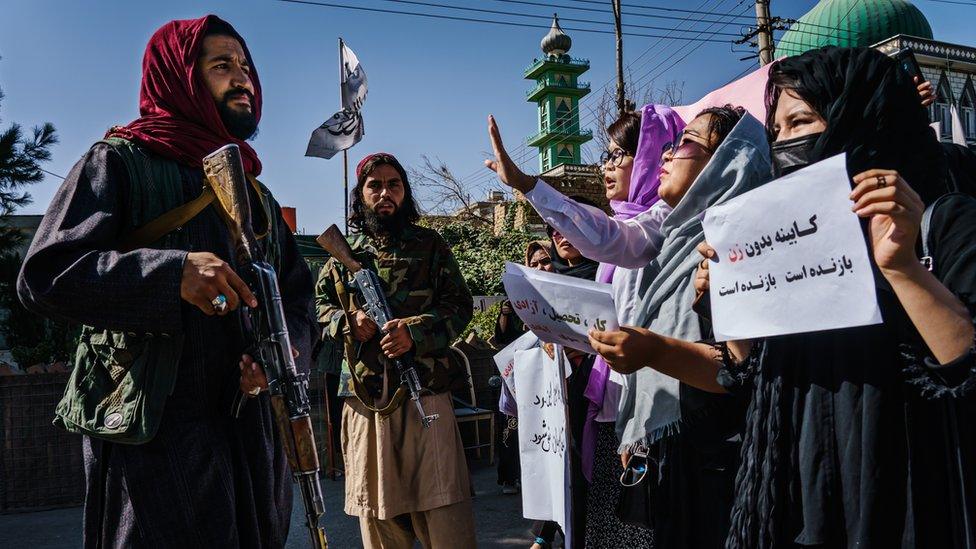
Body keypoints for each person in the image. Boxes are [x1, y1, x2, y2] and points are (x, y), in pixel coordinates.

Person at [16, 16, 315, 547]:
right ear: (178, 75)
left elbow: (295, 293)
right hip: (154, 437)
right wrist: (169, 274)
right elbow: (45, 274)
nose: (243, 79)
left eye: (246, 66)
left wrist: (282, 355)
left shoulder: (256, 194)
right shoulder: (118, 163)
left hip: (248, 437)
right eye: (222, 65)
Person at [688, 47, 976, 548]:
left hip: (909, 501)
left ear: (862, 118)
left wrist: (903, 268)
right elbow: (750, 378)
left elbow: (967, 369)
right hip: (801, 505)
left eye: (800, 122)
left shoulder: (946, 223)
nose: (783, 146)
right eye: (776, 132)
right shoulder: (781, 243)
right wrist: (728, 304)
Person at [486, 105, 685, 547]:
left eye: (621, 154)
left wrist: (526, 184)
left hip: (659, 411)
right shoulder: (636, 224)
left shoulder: (667, 224)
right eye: (606, 155)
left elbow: (612, 240)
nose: (607, 165)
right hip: (618, 406)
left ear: (656, 155)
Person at [314, 152, 476, 548]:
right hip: (365, 399)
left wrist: (415, 334)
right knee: (378, 514)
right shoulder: (342, 255)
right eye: (375, 185)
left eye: (394, 185)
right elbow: (318, 310)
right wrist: (346, 323)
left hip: (425, 392)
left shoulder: (429, 245)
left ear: (405, 193)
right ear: (360, 195)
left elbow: (461, 305)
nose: (384, 193)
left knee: (443, 511)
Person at [493, 240, 551, 496]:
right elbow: (504, 337)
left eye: (546, 261)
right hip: (521, 375)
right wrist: (507, 313)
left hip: (552, 376)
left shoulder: (566, 290)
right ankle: (512, 479)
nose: (539, 267)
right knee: (513, 429)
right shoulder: (521, 294)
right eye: (534, 263)